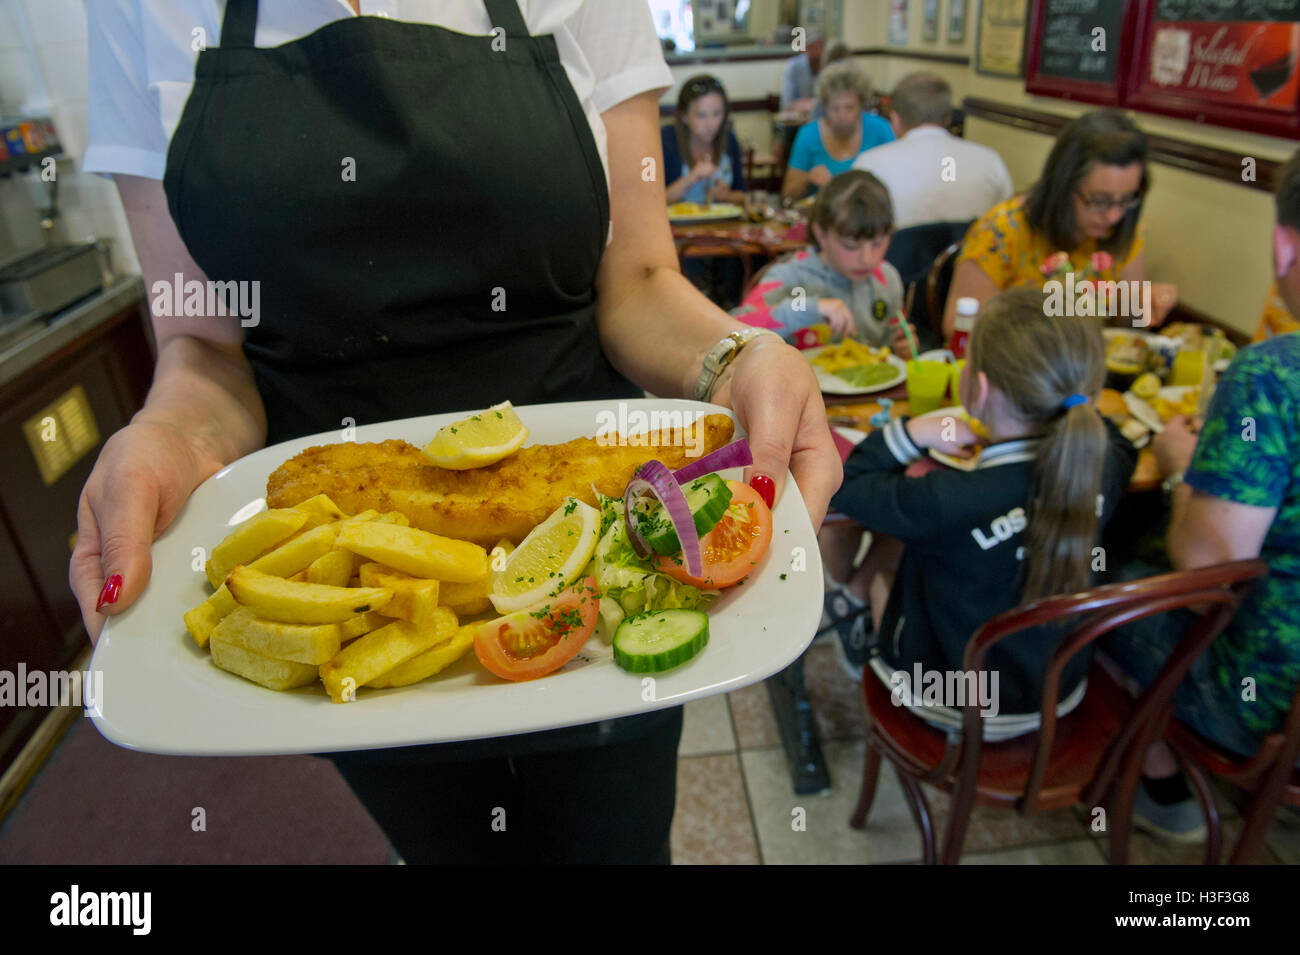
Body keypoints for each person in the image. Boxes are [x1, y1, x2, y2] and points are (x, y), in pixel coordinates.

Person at [74, 0, 840, 865]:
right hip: (354, 597)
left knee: (620, 844)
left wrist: (737, 361)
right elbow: (202, 346)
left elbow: (639, 275)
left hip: (599, 556)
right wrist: (168, 429)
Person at [822, 288, 1137, 730]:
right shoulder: (1102, 466)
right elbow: (1120, 441)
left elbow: (846, 484)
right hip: (1057, 692)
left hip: (950, 702)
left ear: (980, 386)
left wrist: (912, 432)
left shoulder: (945, 501)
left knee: (880, 578)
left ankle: (865, 642)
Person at [1104, 147, 1300, 841]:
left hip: (1258, 703)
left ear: (1283, 243)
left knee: (1098, 591)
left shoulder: (1273, 377)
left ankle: (1157, 777)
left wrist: (1182, 462)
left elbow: (1205, 561)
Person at [942, 110, 1176, 339]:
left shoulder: (1122, 227)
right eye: (1100, 201)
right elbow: (958, 329)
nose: (1114, 216)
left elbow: (1128, 324)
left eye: (1126, 200)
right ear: (1063, 186)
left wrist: (1144, 303)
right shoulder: (1003, 230)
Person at [731, 170, 915, 354]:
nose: (867, 259)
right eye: (850, 246)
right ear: (821, 234)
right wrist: (808, 308)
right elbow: (732, 332)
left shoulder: (886, 278)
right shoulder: (790, 278)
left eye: (878, 243)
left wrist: (901, 348)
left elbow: (895, 337)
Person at [851, 72, 1012, 231]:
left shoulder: (870, 165)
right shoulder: (990, 161)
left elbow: (854, 229)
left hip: (899, 256)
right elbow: (1006, 225)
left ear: (895, 119)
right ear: (948, 118)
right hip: (971, 254)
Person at [781, 60, 894, 202]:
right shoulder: (808, 135)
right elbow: (787, 194)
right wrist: (808, 178)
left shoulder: (880, 129)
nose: (842, 116)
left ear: (861, 105)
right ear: (825, 108)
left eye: (849, 107)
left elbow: (897, 176)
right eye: (835, 108)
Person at [662, 74, 746, 206]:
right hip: (676, 225)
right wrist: (692, 178)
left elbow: (743, 195)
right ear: (684, 116)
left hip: (722, 224)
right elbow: (653, 203)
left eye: (717, 113)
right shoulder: (666, 140)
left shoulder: (729, 139)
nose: (710, 123)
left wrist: (726, 196)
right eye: (701, 115)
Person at [780, 28, 825, 114]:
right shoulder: (794, 65)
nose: (817, 51)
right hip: (796, 117)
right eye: (812, 46)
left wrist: (811, 103)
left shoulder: (828, 65)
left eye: (820, 46)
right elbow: (787, 101)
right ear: (805, 48)